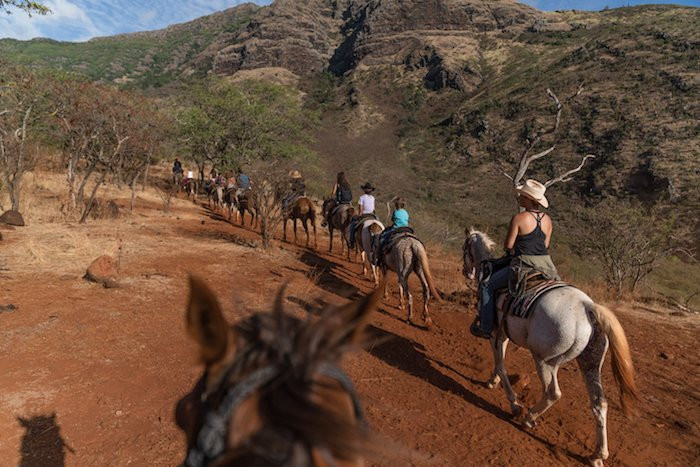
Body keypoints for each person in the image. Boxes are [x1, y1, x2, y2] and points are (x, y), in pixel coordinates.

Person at [471, 179, 559, 339]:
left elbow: (508, 245)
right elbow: (545, 245)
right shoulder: (547, 219)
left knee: (486, 285)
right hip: (546, 265)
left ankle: (485, 327)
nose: (519, 197)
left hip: (524, 264)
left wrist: (517, 249)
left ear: (528, 199)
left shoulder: (519, 218)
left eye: (522, 195)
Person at [372, 197, 410, 265]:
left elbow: (392, 220)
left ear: (396, 205)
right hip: (406, 228)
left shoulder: (396, 212)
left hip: (396, 229)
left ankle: (378, 256)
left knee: (382, 238)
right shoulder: (406, 212)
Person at [347, 182, 376, 247]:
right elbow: (373, 209)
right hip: (372, 215)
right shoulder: (373, 198)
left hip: (364, 215)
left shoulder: (361, 197)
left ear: (364, 190)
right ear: (371, 190)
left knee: (352, 225)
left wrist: (358, 216)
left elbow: (361, 211)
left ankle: (351, 241)